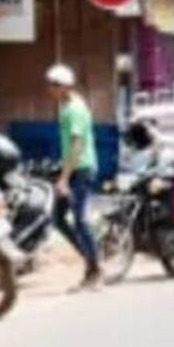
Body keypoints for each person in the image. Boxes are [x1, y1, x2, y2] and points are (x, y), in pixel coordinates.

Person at [48, 64, 101, 291]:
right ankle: (90, 260)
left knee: (80, 220)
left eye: (53, 86)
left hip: (81, 170)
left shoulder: (74, 110)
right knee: (58, 217)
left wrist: (64, 178)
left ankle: (95, 269)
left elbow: (78, 145)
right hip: (73, 170)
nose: (50, 90)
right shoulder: (65, 106)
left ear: (64, 87)